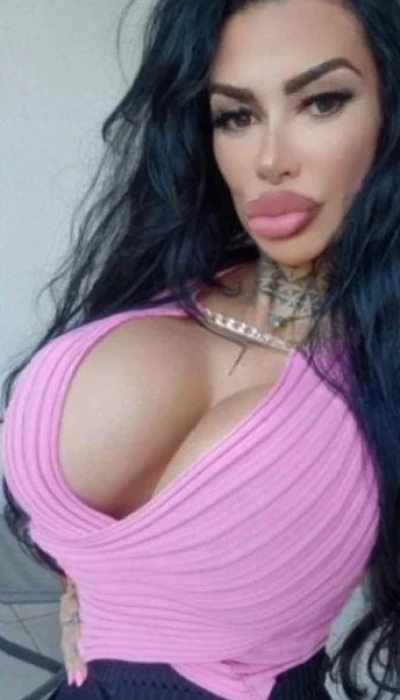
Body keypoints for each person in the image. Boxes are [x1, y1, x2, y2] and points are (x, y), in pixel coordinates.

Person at [2, 0, 400, 698]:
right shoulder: (161, 285)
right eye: (236, 116)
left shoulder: (385, 364)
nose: (270, 160)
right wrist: (87, 593)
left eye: (322, 102)